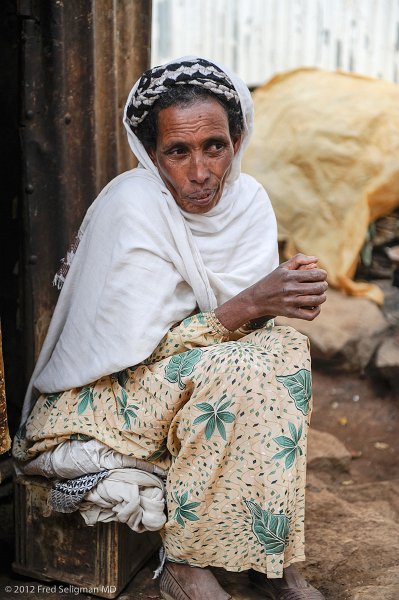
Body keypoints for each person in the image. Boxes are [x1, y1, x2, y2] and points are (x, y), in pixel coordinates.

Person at [14, 57, 328, 600]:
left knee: (284, 348)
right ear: (149, 153)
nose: (201, 172)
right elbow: (136, 354)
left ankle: (267, 550)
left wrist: (284, 298)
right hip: (105, 400)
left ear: (237, 141)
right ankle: (184, 565)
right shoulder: (133, 206)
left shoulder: (248, 201)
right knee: (236, 367)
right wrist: (251, 301)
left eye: (215, 146)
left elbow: (251, 330)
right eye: (177, 152)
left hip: (193, 372)